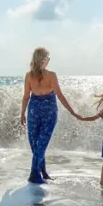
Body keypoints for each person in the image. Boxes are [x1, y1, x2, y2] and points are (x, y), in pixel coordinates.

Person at [20, 47, 79, 184]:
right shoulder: (31, 76)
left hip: (44, 111)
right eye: (48, 57)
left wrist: (72, 112)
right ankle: (40, 172)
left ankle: (36, 173)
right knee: (36, 144)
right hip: (38, 110)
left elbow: (59, 95)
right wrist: (22, 113)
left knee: (41, 143)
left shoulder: (49, 75)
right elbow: (26, 96)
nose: (49, 60)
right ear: (43, 59)